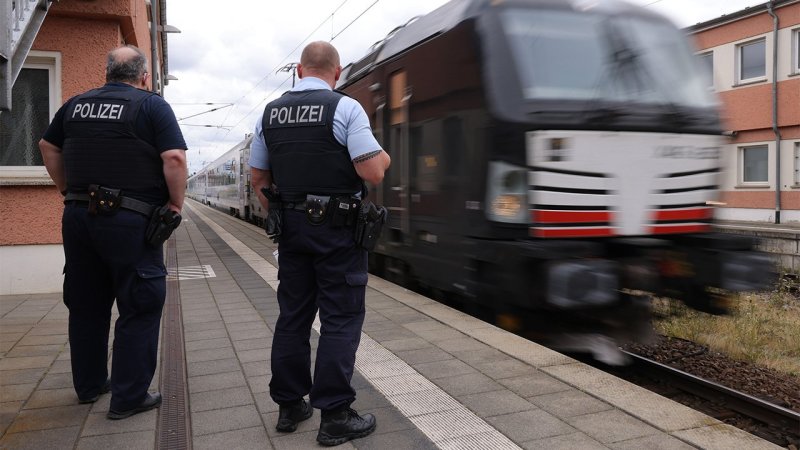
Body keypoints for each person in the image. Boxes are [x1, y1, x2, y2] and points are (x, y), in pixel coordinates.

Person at [250, 41, 390, 446]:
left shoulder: (270, 113)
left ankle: (290, 406)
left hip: (292, 231)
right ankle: (335, 415)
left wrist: (285, 215)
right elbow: (373, 172)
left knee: (292, 317)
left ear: (299, 70)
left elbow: (259, 179)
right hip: (338, 232)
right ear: (337, 72)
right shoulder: (345, 108)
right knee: (340, 319)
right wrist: (382, 158)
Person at [38, 45, 188, 420]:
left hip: (77, 218)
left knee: (86, 304)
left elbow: (47, 145)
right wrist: (175, 204)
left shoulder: (75, 105)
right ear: (144, 77)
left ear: (106, 74)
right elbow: (174, 158)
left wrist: (66, 189)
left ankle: (89, 386)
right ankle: (129, 397)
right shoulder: (151, 106)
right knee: (139, 303)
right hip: (129, 220)